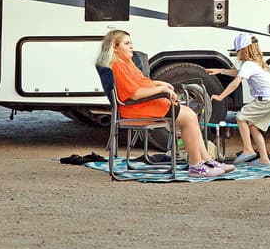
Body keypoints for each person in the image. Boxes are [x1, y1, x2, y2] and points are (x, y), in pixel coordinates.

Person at [98, 30, 234, 179]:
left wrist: (158, 83)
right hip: (136, 108)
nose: (131, 46)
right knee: (188, 117)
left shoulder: (125, 63)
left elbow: (140, 83)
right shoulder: (118, 66)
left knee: (190, 116)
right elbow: (134, 94)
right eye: (127, 43)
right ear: (115, 47)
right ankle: (196, 166)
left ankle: (207, 160)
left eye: (131, 43)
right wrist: (161, 89)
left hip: (140, 106)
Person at [206, 34, 270, 165]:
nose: (237, 54)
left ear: (243, 50)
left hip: (266, 100)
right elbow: (238, 72)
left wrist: (220, 96)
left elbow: (236, 82)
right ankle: (264, 159)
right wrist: (221, 71)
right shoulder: (257, 63)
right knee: (254, 127)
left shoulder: (248, 64)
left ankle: (248, 150)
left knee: (241, 117)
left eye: (237, 51)